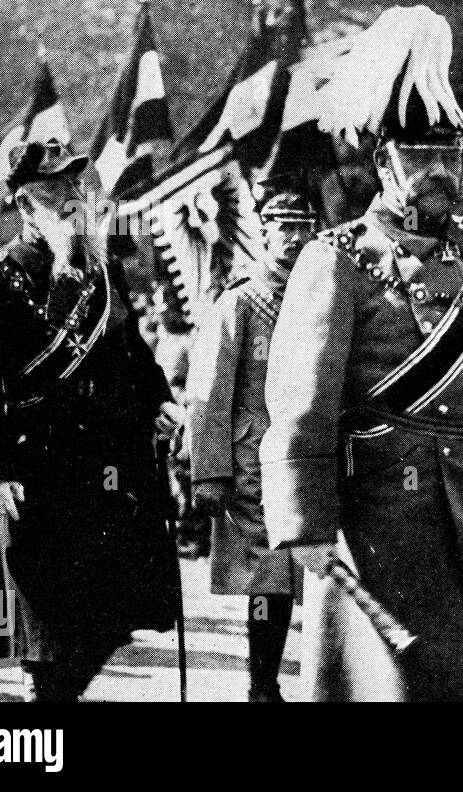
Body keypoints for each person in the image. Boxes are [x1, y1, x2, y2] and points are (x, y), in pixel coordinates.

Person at [259, 5, 463, 702]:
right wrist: (304, 523)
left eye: (449, 153)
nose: (439, 169)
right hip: (387, 520)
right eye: (420, 155)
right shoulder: (335, 261)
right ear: (384, 161)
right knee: (398, 688)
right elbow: (302, 407)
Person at [0, 140, 183, 701]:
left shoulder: (104, 274)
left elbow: (133, 355)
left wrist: (161, 402)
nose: (70, 201)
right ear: (24, 206)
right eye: (53, 192)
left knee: (99, 628)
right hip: (34, 484)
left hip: (105, 480)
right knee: (48, 641)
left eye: (75, 189)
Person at [189, 181, 317, 702]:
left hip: (312, 457)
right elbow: (209, 392)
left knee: (315, 574)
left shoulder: (323, 299)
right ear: (263, 234)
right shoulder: (240, 302)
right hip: (253, 464)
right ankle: (261, 684)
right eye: (283, 229)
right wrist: (210, 471)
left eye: (302, 230)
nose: (292, 239)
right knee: (269, 577)